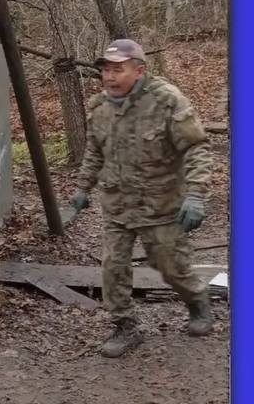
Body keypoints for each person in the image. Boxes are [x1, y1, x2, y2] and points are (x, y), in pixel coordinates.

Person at [68, 39, 214, 358]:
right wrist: (82, 188)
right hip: (117, 206)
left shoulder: (166, 101)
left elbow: (195, 148)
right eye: (106, 70)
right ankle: (125, 326)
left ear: (140, 70)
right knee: (113, 267)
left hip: (161, 206)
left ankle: (197, 300)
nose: (109, 77)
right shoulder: (100, 107)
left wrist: (195, 195)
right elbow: (94, 151)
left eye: (118, 70)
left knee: (171, 268)